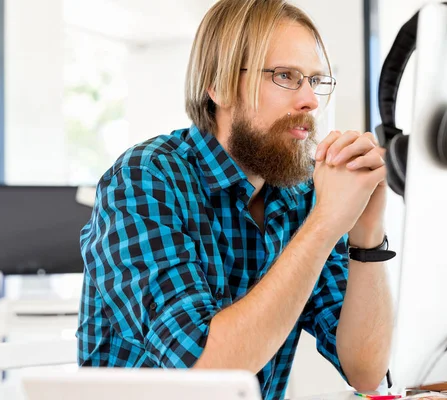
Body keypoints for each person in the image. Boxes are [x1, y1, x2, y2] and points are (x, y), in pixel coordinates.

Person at [76, 1, 394, 399]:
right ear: (219, 85)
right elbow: (204, 371)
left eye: (316, 81)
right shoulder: (144, 180)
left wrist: (367, 237)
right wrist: (327, 222)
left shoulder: (298, 194)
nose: (310, 100)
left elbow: (366, 372)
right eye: (285, 76)